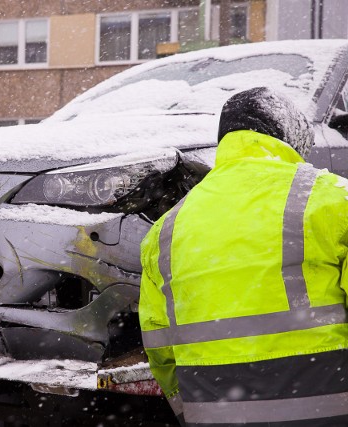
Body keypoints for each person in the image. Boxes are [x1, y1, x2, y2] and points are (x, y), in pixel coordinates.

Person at [138, 86, 348, 426]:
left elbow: (160, 345)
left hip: (214, 414)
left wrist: (190, 409)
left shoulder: (166, 228)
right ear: (292, 140)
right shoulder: (334, 199)